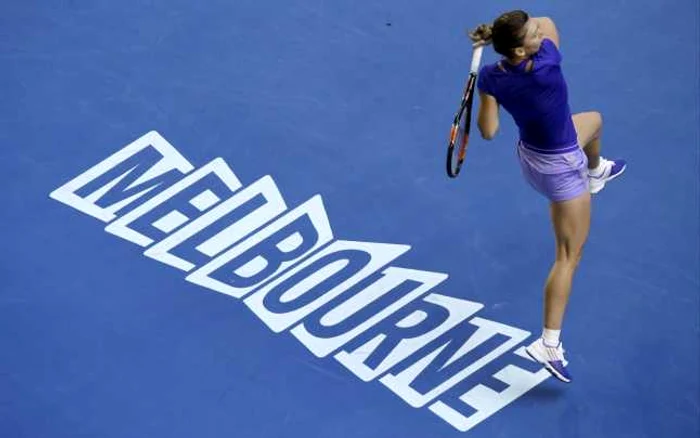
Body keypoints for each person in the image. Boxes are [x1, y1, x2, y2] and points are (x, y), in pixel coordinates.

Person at [468, 10, 626, 383]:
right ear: (522, 51)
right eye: (532, 34)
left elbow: (489, 131)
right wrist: (493, 36)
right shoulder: (546, 66)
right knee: (568, 256)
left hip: (531, 159)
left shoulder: (492, 76)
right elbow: (551, 20)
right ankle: (548, 344)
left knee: (594, 120)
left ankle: (596, 169)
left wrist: (484, 90)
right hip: (559, 169)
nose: (541, 32)